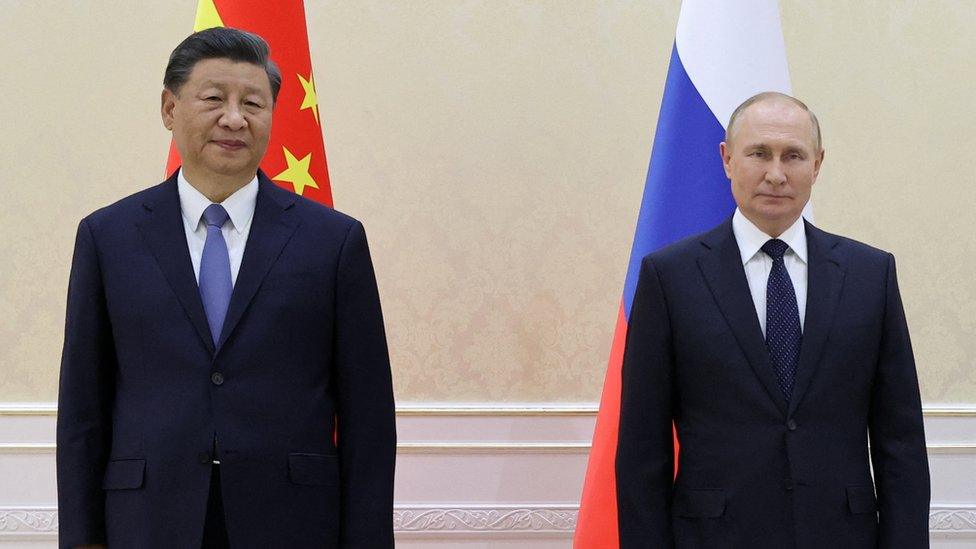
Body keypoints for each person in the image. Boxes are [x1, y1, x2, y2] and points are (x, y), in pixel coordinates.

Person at [56, 27, 396, 548]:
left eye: (253, 103)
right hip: (146, 520)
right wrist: (82, 538)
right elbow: (84, 405)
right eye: (214, 98)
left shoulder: (333, 241)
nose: (234, 118)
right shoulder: (109, 236)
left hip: (292, 522)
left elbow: (367, 415)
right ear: (170, 108)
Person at [615, 92, 930, 548]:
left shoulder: (870, 275)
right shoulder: (670, 277)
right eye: (759, 153)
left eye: (794, 156)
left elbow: (899, 441)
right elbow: (642, 449)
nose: (776, 174)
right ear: (727, 159)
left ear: (817, 164)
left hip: (842, 536)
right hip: (713, 537)